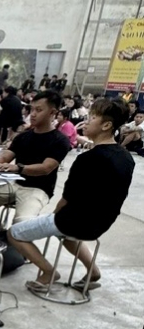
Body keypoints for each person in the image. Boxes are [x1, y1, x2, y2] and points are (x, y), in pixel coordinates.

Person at [7, 97, 133, 292]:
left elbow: (66, 199)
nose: (85, 122)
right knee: (66, 234)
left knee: (14, 233)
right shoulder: (126, 158)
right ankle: (93, 271)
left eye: (92, 118)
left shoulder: (87, 159)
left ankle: (48, 272)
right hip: (101, 224)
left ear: (106, 125)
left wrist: (52, 219)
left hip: (72, 222)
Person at [0, 90, 71, 234]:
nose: (33, 114)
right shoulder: (23, 136)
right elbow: (5, 157)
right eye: (32, 109)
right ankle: (1, 237)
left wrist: (18, 168)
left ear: (52, 112)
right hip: (14, 184)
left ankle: (13, 241)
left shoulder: (60, 140)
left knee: (22, 224)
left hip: (38, 189)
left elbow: (46, 168)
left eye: (39, 110)